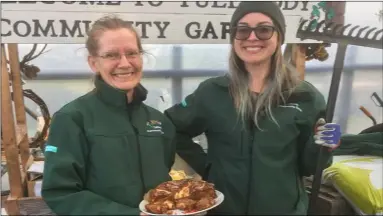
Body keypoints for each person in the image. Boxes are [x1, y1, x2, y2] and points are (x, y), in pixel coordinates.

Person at [164, 2, 341, 215]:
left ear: (279, 37)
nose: (252, 37)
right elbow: (171, 125)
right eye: (243, 30)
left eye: (264, 29)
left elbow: (309, 167)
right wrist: (208, 166)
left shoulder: (305, 97)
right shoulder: (212, 92)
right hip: (225, 210)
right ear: (234, 38)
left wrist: (324, 147)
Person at [41, 15, 176, 215]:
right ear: (94, 63)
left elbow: (163, 180)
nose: (125, 63)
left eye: (132, 53)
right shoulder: (73, 119)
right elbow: (61, 193)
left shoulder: (158, 121)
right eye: (112, 55)